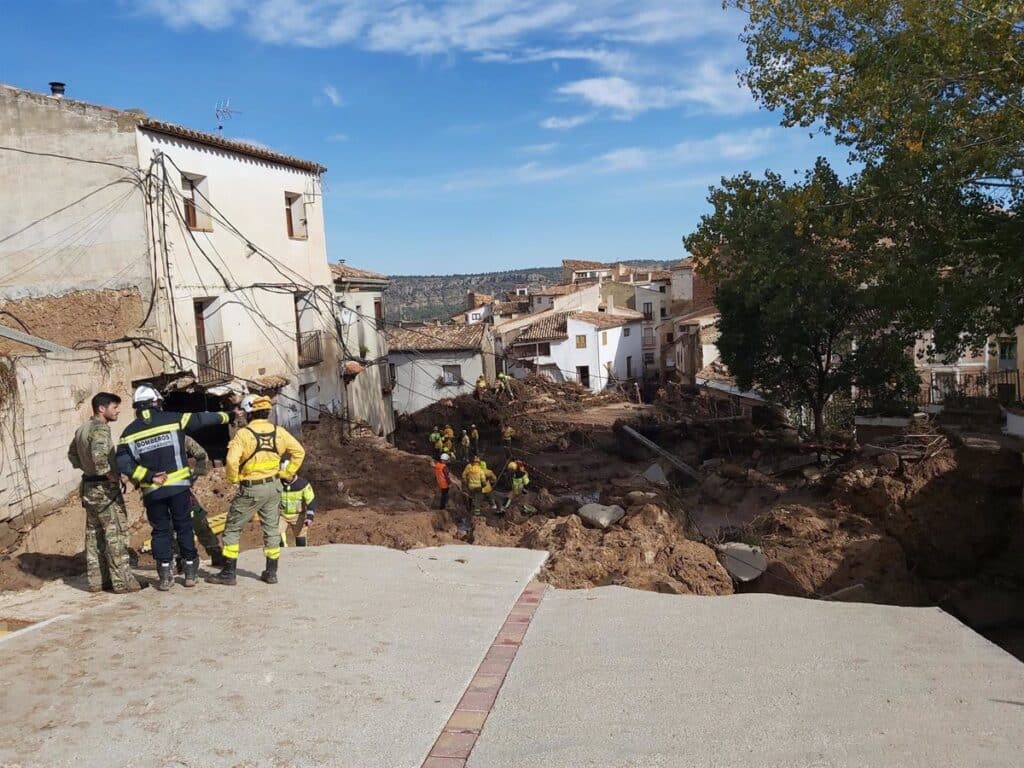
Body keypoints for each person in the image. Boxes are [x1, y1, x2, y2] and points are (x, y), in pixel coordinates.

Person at [116, 385, 230, 591]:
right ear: (155, 403)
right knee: (184, 526)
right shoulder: (173, 419)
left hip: (152, 492)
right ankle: (189, 572)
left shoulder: (128, 433)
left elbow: (123, 464)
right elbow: (201, 420)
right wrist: (226, 415)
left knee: (160, 532)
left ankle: (165, 575)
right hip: (179, 489)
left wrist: (149, 476)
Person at [208, 395, 305, 586]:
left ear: (249, 413)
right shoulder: (279, 432)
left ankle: (228, 572)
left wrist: (233, 478)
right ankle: (271, 572)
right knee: (271, 529)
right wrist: (287, 473)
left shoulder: (243, 435)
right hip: (274, 487)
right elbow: (299, 452)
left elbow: (232, 461)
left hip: (252, 489)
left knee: (232, 529)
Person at [67, 392, 140, 594]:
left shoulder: (82, 429)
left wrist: (87, 468)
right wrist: (114, 477)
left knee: (94, 536)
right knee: (115, 534)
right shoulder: (100, 429)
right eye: (114, 407)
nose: (117, 411)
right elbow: (101, 461)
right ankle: (122, 582)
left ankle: (98, 581)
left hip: (89, 489)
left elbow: (72, 455)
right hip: (104, 491)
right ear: (102, 408)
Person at [172, 436, 227, 570]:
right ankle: (179, 558)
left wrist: (196, 474)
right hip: (162, 493)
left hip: (183, 490)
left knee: (199, 519)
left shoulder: (179, 436)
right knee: (171, 527)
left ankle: (215, 552)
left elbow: (201, 454)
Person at [279, 475, 316, 547]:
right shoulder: (277, 483)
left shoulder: (303, 484)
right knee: (277, 535)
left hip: (298, 516)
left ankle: (300, 554)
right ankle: (282, 552)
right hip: (281, 515)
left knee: (301, 537)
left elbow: (311, 500)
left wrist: (310, 517)